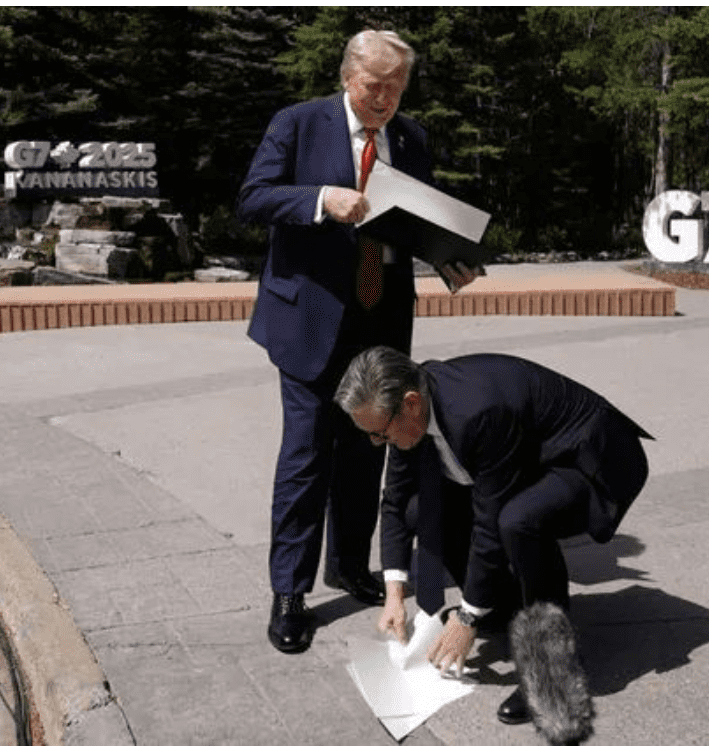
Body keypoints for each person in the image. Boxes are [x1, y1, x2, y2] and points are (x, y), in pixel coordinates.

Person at [237, 30, 477, 655]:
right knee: (307, 456)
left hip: (381, 318)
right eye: (375, 86)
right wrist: (321, 198)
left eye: (397, 88)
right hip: (309, 321)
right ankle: (290, 592)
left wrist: (446, 257)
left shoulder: (411, 137)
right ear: (348, 77)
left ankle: (347, 564)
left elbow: (417, 220)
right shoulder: (298, 124)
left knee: (368, 450)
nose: (385, 100)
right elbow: (253, 197)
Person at [334, 345, 652, 725]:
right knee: (421, 509)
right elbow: (395, 502)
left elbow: (490, 523)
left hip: (590, 460)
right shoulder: (408, 410)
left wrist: (467, 617)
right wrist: (394, 595)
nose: (377, 443)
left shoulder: (477, 413)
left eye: (380, 434)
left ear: (411, 403)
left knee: (519, 521)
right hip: (526, 457)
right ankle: (501, 605)